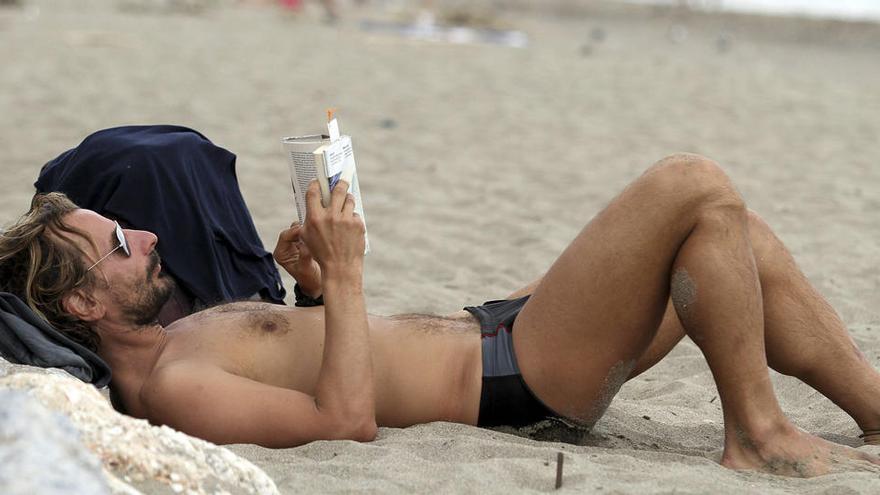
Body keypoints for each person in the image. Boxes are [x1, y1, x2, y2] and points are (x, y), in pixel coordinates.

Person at [1, 153, 879, 478]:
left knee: (732, 236)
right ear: (81, 302)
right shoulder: (174, 386)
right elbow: (343, 421)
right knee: (691, 186)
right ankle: (756, 430)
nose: (150, 235)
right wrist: (346, 279)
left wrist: (310, 290)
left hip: (497, 330)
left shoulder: (172, 341)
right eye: (121, 242)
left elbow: (315, 364)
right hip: (515, 377)